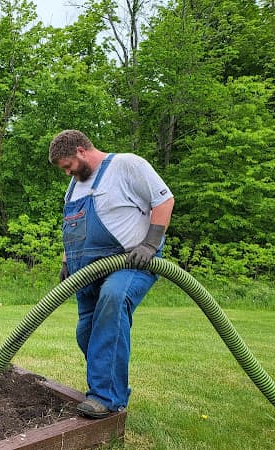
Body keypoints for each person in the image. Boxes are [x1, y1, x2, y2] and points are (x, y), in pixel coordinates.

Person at [48, 130, 175, 419]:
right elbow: (72, 228)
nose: (67, 172)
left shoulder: (127, 165)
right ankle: (109, 386)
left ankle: (107, 398)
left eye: (68, 165)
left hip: (131, 263)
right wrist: (67, 261)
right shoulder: (74, 186)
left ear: (81, 151)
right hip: (88, 273)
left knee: (113, 301)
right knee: (87, 334)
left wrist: (150, 244)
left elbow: (164, 201)